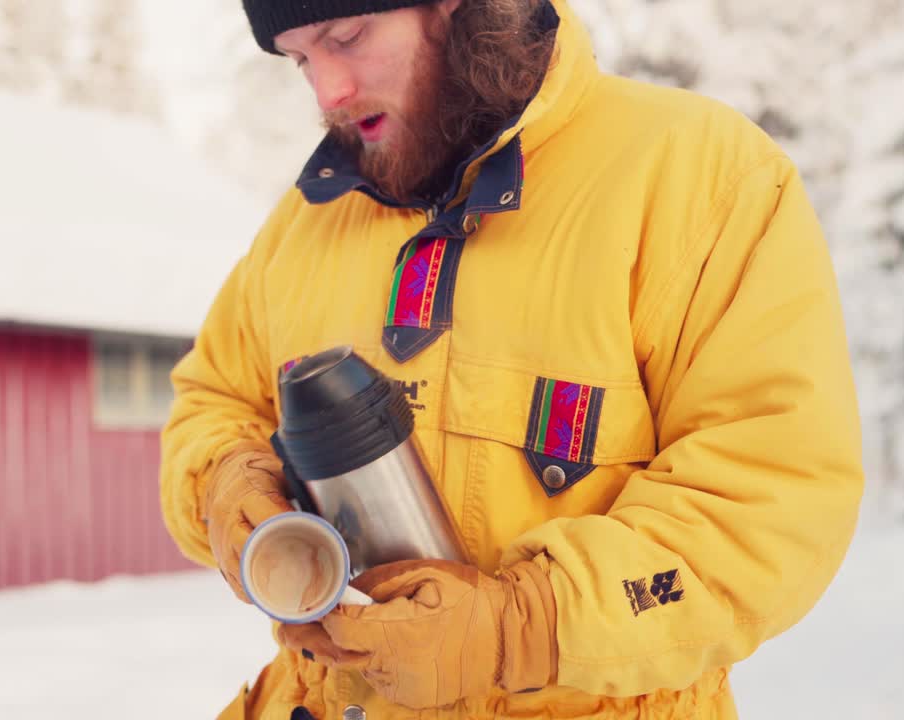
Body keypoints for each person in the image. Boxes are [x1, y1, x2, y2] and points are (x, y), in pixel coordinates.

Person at [159, 0, 865, 717]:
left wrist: (518, 626)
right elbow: (211, 403)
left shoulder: (699, 178)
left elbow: (770, 496)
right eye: (302, 58)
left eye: (347, 36)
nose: (327, 92)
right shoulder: (304, 226)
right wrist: (228, 485)